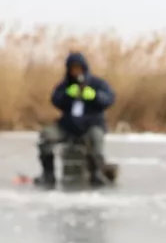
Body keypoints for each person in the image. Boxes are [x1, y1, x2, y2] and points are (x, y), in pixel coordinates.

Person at [37, 51, 116, 188]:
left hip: (91, 125)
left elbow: (109, 99)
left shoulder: (97, 84)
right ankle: (48, 174)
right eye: (73, 68)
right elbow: (55, 99)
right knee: (46, 136)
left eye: (78, 68)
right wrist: (67, 95)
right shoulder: (65, 85)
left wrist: (95, 96)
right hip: (67, 126)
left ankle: (96, 173)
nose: (76, 71)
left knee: (96, 139)